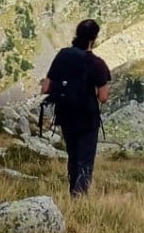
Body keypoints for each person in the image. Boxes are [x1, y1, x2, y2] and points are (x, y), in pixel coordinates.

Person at [41, 18, 112, 196]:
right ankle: (79, 197)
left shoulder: (63, 55)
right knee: (85, 160)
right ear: (93, 39)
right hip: (87, 118)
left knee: (73, 157)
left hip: (65, 115)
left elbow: (45, 88)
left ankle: (73, 191)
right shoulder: (96, 63)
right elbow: (103, 97)